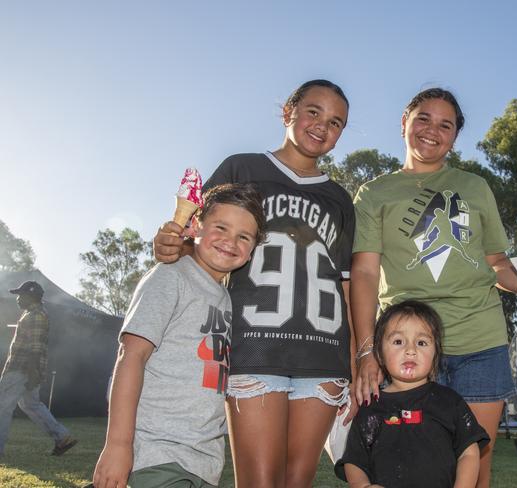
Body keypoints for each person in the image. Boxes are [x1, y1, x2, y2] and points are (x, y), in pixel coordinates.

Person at [350, 87, 517, 488]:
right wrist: (366, 350)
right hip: (407, 347)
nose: (433, 130)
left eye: (445, 125)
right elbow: (363, 274)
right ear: (404, 123)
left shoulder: (475, 187)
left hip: (479, 343)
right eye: (423, 119)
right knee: (400, 459)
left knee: (474, 465)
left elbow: (496, 263)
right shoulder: (374, 192)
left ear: (454, 136)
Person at [153, 80, 356, 488]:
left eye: (336, 122)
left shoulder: (340, 198)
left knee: (296, 483)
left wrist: (352, 361)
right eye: (313, 112)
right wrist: (171, 243)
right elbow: (198, 241)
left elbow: (345, 285)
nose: (322, 126)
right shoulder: (242, 169)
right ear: (288, 112)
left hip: (323, 356)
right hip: (254, 346)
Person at [92, 184, 266, 488]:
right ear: (196, 225)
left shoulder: (224, 297)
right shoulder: (170, 276)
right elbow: (131, 355)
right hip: (157, 454)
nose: (230, 242)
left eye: (244, 236)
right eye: (221, 228)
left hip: (204, 461)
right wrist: (118, 445)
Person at [335, 300, 489, 488]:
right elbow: (354, 460)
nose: (410, 350)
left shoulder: (450, 402)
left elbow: (469, 453)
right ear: (380, 354)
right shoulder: (370, 407)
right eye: (398, 341)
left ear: (435, 354)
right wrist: (363, 486)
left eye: (422, 342)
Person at [0, 280, 77, 457]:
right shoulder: (35, 314)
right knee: (31, 404)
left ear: (32, 296)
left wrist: (32, 372)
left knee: (2, 407)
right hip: (27, 370)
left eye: (21, 295)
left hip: (21, 369)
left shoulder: (35, 316)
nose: (18, 299)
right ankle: (62, 437)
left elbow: (35, 348)